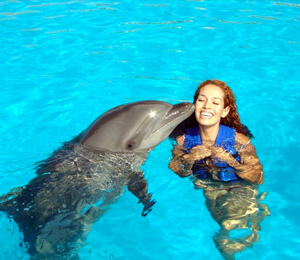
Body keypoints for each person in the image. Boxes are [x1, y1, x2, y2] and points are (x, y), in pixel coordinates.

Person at [169, 79, 269, 260]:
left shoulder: (240, 140)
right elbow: (179, 170)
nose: (207, 106)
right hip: (209, 186)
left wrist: (230, 161)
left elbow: (257, 177)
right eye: (201, 100)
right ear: (194, 105)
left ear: (225, 111)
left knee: (231, 222)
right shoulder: (183, 140)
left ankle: (254, 216)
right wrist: (190, 159)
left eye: (215, 102)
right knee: (223, 227)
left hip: (239, 186)